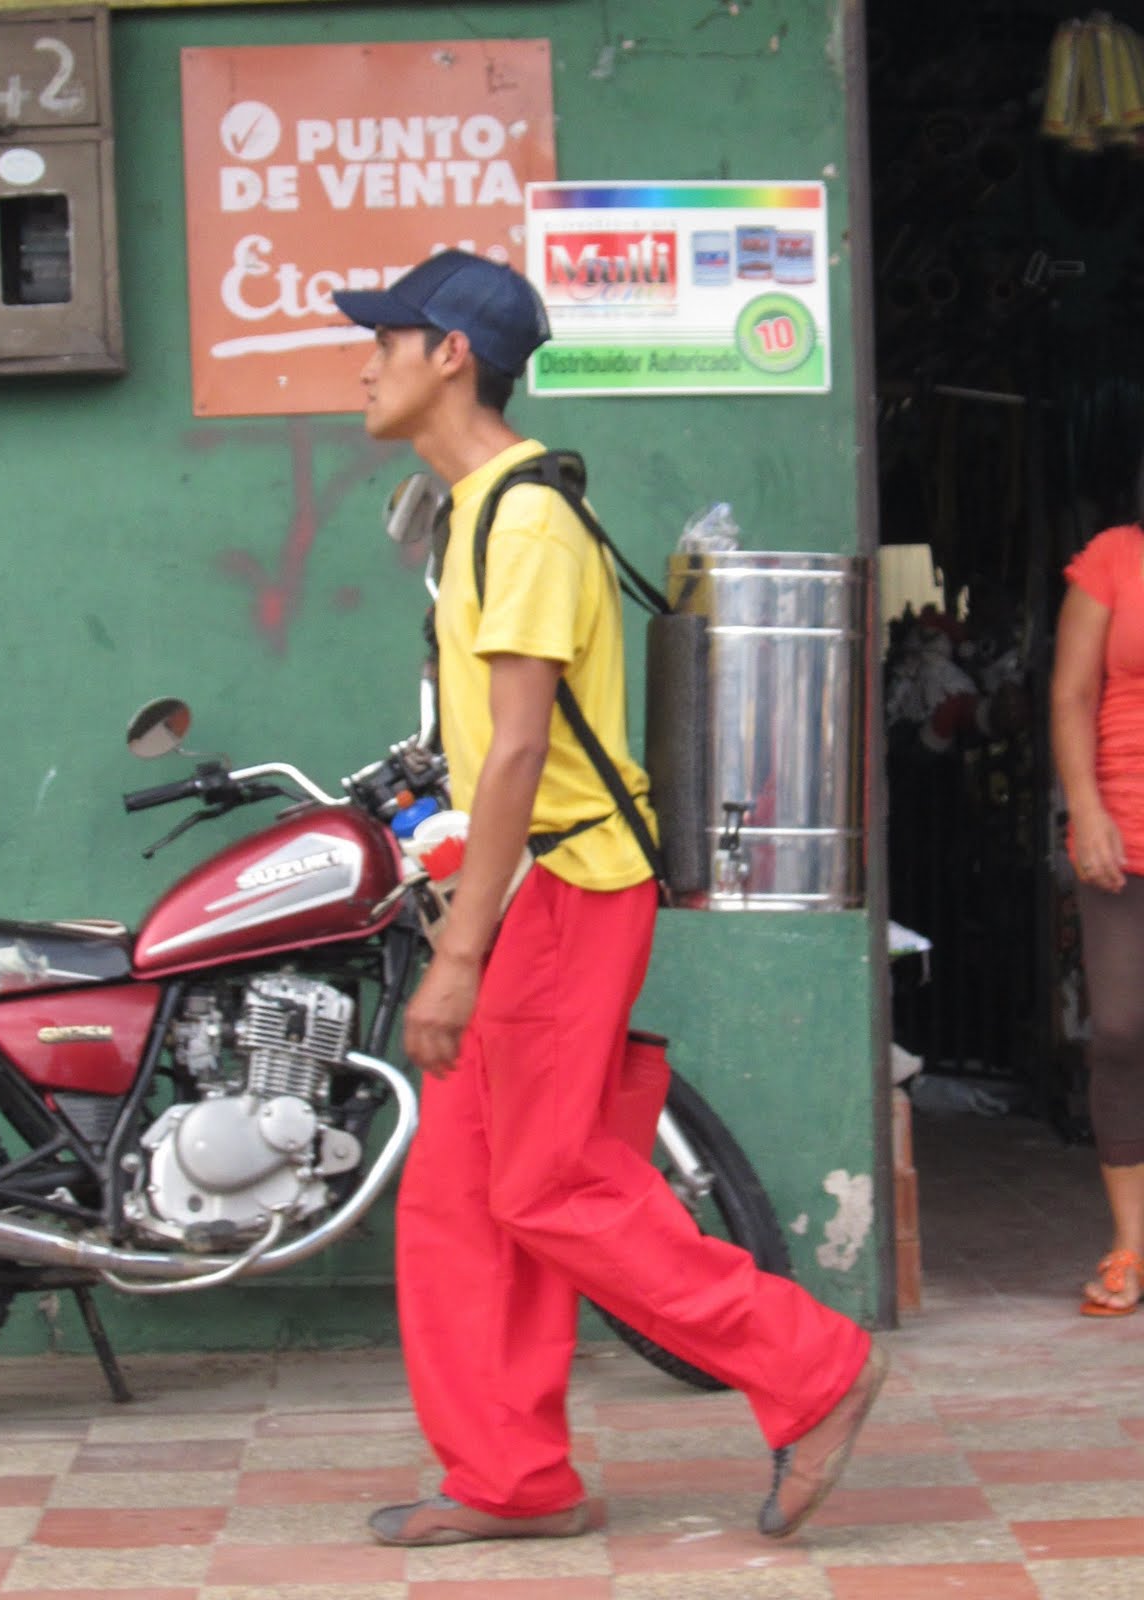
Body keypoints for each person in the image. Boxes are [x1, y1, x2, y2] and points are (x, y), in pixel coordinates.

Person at [331, 250, 886, 1547]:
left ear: (450, 356)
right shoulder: (473, 511)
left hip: (563, 890)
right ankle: (512, 1480)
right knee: (461, 1198)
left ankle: (814, 1368)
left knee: (550, 1187)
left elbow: (521, 746)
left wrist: (460, 955)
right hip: (512, 883)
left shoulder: (522, 518)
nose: (364, 363)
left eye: (385, 338)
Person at [1051, 521, 1144, 1315]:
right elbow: (1073, 692)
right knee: (1120, 1032)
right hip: (1126, 836)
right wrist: (1085, 808)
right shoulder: (1116, 557)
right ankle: (1130, 1247)